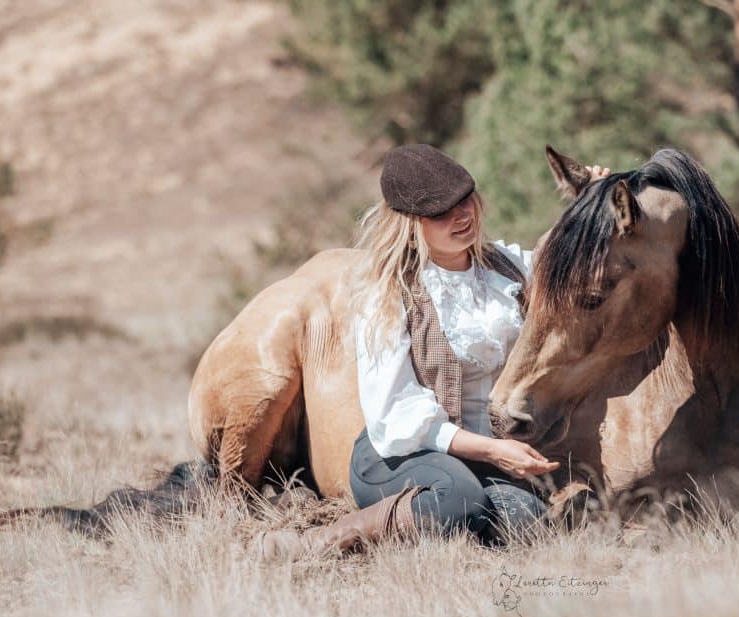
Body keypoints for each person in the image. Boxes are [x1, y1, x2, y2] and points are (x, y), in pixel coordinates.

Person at [260, 144, 609, 559]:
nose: (461, 216)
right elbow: (395, 416)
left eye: (465, 201)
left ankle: (445, 519)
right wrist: (496, 450)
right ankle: (315, 541)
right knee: (459, 499)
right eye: (441, 213)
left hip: (484, 459)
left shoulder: (511, 268)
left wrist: (594, 200)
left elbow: (574, 262)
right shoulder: (388, 293)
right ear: (410, 224)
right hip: (401, 453)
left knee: (528, 521)